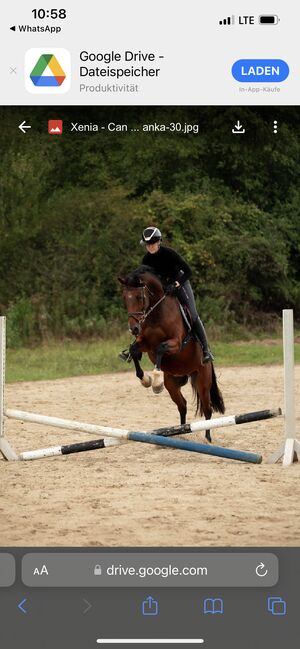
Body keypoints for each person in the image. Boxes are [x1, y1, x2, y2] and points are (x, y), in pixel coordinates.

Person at [119, 226, 214, 363]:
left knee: (192, 314)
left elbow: (188, 271)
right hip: (162, 288)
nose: (150, 247)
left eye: (152, 244)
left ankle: (206, 350)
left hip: (180, 284)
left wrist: (176, 284)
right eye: (147, 245)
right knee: (145, 312)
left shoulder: (169, 254)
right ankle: (134, 349)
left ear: (159, 242)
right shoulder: (146, 259)